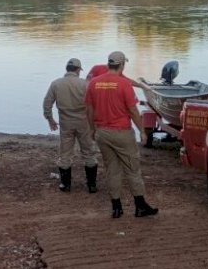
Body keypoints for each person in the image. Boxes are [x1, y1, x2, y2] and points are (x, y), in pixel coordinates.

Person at [85, 50, 158, 218]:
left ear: (109, 64)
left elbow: (89, 109)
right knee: (132, 170)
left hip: (102, 132)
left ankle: (116, 208)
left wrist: (92, 129)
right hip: (122, 132)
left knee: (112, 170)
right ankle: (140, 206)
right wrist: (142, 131)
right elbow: (133, 110)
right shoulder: (124, 83)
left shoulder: (94, 83)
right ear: (122, 65)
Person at [43, 58, 100, 193]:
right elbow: (94, 105)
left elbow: (47, 104)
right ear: (78, 70)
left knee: (65, 153)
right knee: (89, 152)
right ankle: (91, 185)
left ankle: (65, 184)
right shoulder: (85, 84)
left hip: (65, 122)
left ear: (67, 69)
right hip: (83, 122)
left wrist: (50, 119)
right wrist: (95, 124)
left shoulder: (56, 84)